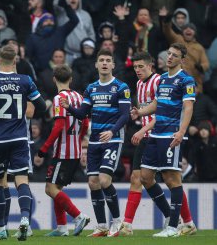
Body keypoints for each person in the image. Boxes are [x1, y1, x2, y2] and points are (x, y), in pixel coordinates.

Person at [0, 45, 46, 240]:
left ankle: (0, 227)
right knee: (21, 180)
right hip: (20, 137)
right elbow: (41, 106)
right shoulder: (26, 80)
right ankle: (24, 219)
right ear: (15, 61)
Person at [120, 51, 196, 236]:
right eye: (135, 67)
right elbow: (155, 106)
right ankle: (181, 221)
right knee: (143, 178)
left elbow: (173, 109)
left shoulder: (160, 80)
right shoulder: (143, 83)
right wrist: (140, 114)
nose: (138, 70)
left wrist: (143, 129)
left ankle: (175, 223)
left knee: (170, 179)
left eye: (141, 66)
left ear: (150, 66)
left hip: (160, 133)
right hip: (151, 136)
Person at [60, 49, 131, 237]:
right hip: (94, 140)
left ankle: (117, 222)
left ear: (113, 65)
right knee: (93, 182)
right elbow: (83, 114)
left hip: (113, 139)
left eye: (109, 60)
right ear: (97, 65)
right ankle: (101, 226)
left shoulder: (121, 87)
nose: (105, 63)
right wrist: (69, 108)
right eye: (102, 60)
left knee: (104, 179)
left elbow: (125, 115)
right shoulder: (91, 88)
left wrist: (112, 131)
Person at [38, 65, 90, 236]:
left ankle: (79, 216)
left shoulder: (59, 98)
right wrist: (80, 139)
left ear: (54, 79)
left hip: (62, 151)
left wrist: (44, 148)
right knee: (57, 188)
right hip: (75, 150)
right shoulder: (79, 97)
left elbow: (59, 125)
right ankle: (61, 228)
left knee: (50, 189)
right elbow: (86, 122)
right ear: (71, 79)